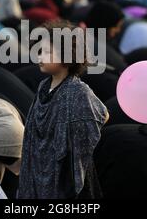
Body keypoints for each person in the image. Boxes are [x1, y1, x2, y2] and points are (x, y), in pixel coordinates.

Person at [18, 20, 109, 199]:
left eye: (48, 52)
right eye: (40, 51)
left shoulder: (78, 91)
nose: (40, 57)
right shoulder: (44, 86)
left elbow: (103, 114)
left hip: (64, 176)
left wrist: (71, 136)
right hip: (39, 168)